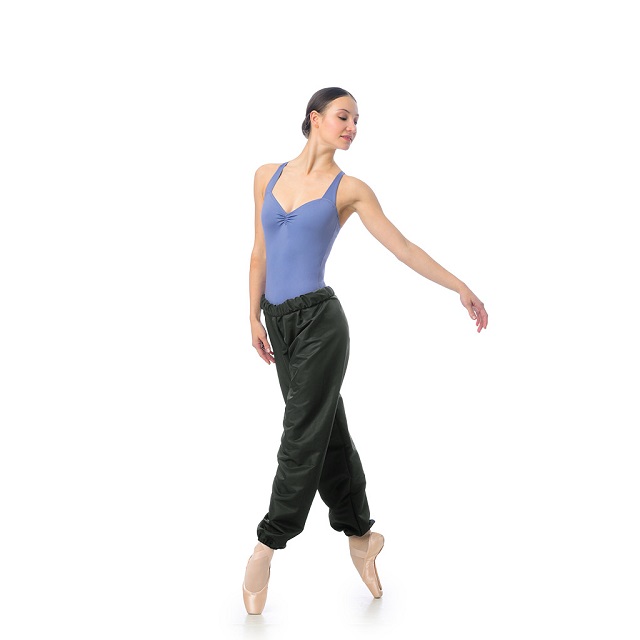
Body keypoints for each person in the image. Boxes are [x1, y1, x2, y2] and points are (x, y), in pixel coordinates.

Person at [243, 87, 488, 615]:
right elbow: (259, 252)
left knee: (300, 434)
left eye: (357, 120)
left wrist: (459, 286)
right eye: (343, 116)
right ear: (315, 118)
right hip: (277, 324)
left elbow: (403, 247)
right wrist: (252, 316)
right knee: (326, 433)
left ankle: (267, 545)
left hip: (320, 324)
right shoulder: (266, 175)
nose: (352, 127)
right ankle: (361, 536)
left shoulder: (349, 189)